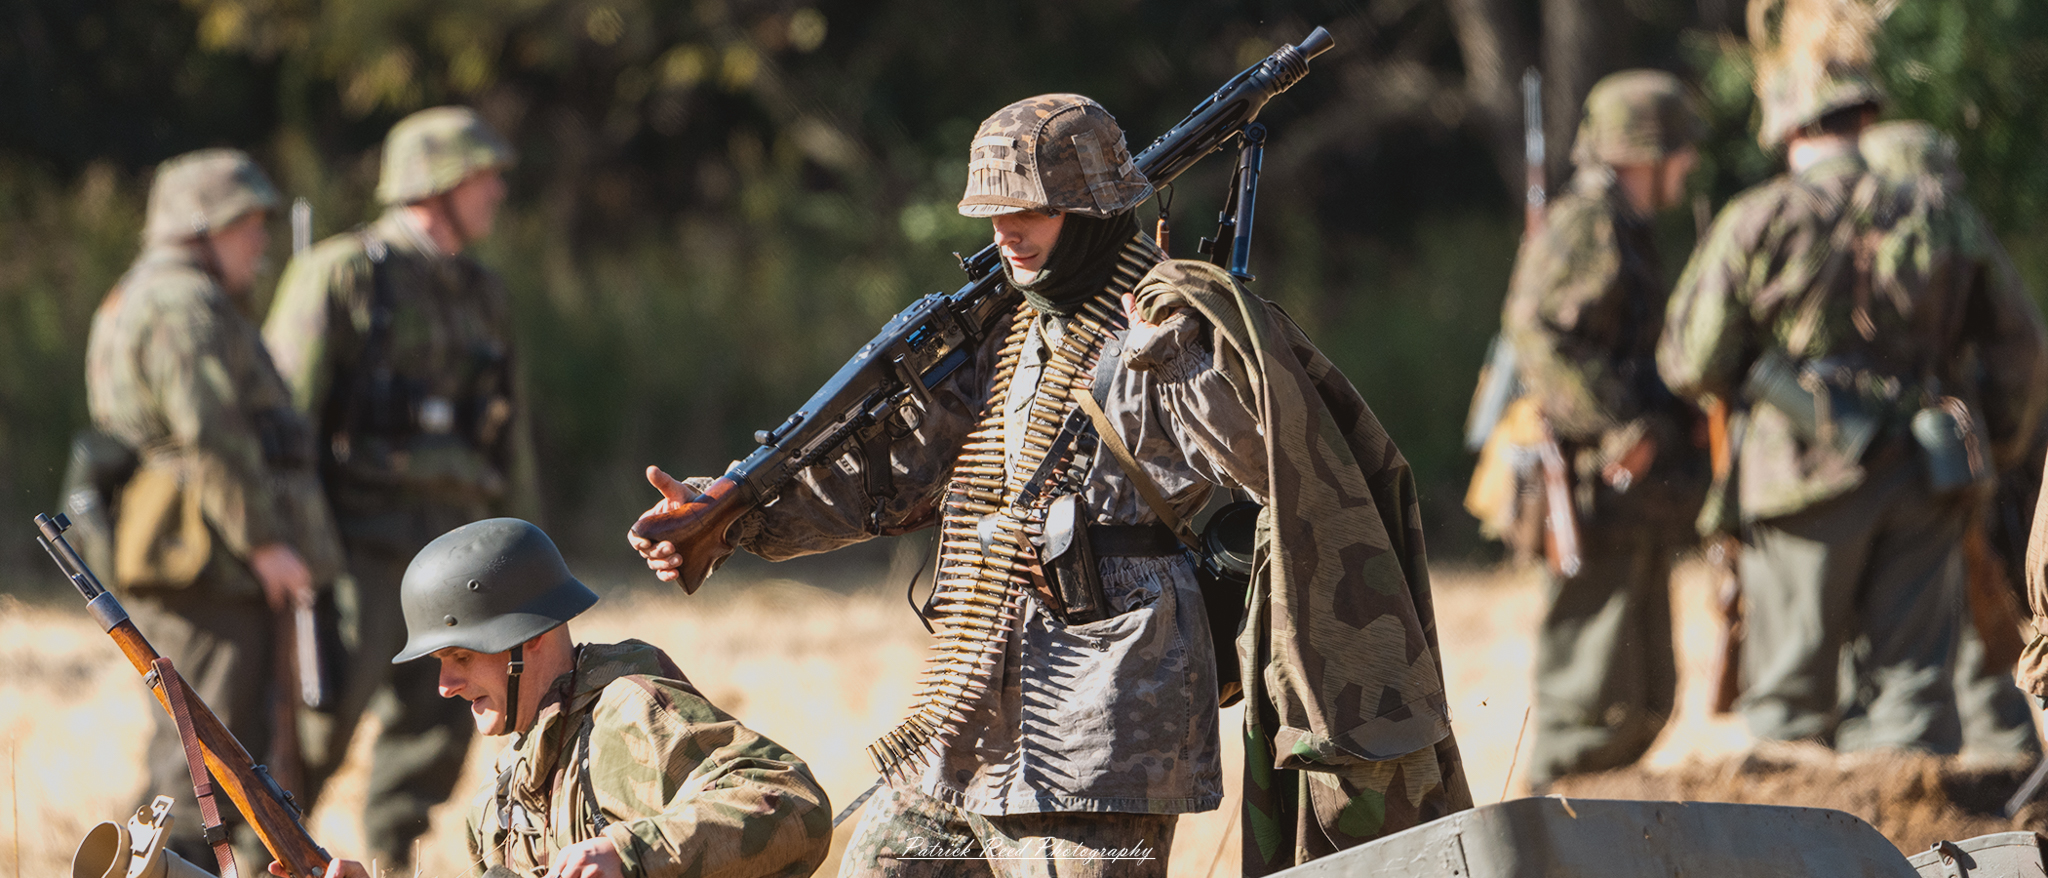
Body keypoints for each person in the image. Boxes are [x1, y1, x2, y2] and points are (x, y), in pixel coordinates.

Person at [630, 94, 1470, 877]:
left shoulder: (1162, 324)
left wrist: (1170, 360)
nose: (1007, 233)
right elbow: (888, 477)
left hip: (1106, 721)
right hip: (969, 716)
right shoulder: (1007, 330)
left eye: (1029, 210)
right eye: (995, 213)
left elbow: (1272, 465)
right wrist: (734, 516)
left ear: (1096, 211)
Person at [1659, 0, 2048, 753]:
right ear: (1863, 118)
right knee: (1912, 702)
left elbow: (1689, 360)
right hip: (1926, 476)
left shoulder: (1759, 217)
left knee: (1788, 707)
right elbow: (2020, 345)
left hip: (1799, 479)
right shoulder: (1940, 210)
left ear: (1789, 127)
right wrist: (1994, 446)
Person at [262, 105, 538, 867]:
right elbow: (288, 428)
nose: (497, 194)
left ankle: (392, 861)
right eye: (485, 178)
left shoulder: (483, 292)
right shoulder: (344, 274)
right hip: (359, 552)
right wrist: (292, 544)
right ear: (437, 183)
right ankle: (266, 862)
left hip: (461, 549)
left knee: (440, 726)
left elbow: (508, 434)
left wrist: (528, 552)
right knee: (315, 728)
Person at [284, 518, 830, 878]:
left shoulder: (628, 712)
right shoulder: (496, 808)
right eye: (441, 663)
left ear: (532, 635)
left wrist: (630, 853)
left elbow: (793, 798)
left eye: (464, 657)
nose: (445, 686)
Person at [85, 149, 345, 868]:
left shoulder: (164, 296)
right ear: (200, 228)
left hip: (206, 546)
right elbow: (211, 431)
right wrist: (266, 542)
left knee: (225, 750)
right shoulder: (180, 303)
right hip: (206, 553)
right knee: (198, 759)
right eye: (246, 224)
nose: (261, 242)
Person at [1501, 70, 1709, 787]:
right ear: (1642, 154)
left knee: (1639, 700)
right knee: (1586, 703)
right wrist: (1623, 427)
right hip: (1598, 490)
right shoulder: (1589, 221)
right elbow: (1538, 337)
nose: (1688, 166)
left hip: (1630, 498)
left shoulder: (1626, 227)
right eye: (1678, 151)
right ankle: (1541, 828)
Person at [1861, 119, 2047, 762]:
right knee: (1971, 596)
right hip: (1953, 447)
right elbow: (2023, 344)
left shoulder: (1848, 231)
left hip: (1856, 457)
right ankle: (2003, 759)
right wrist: (2002, 438)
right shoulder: (1961, 231)